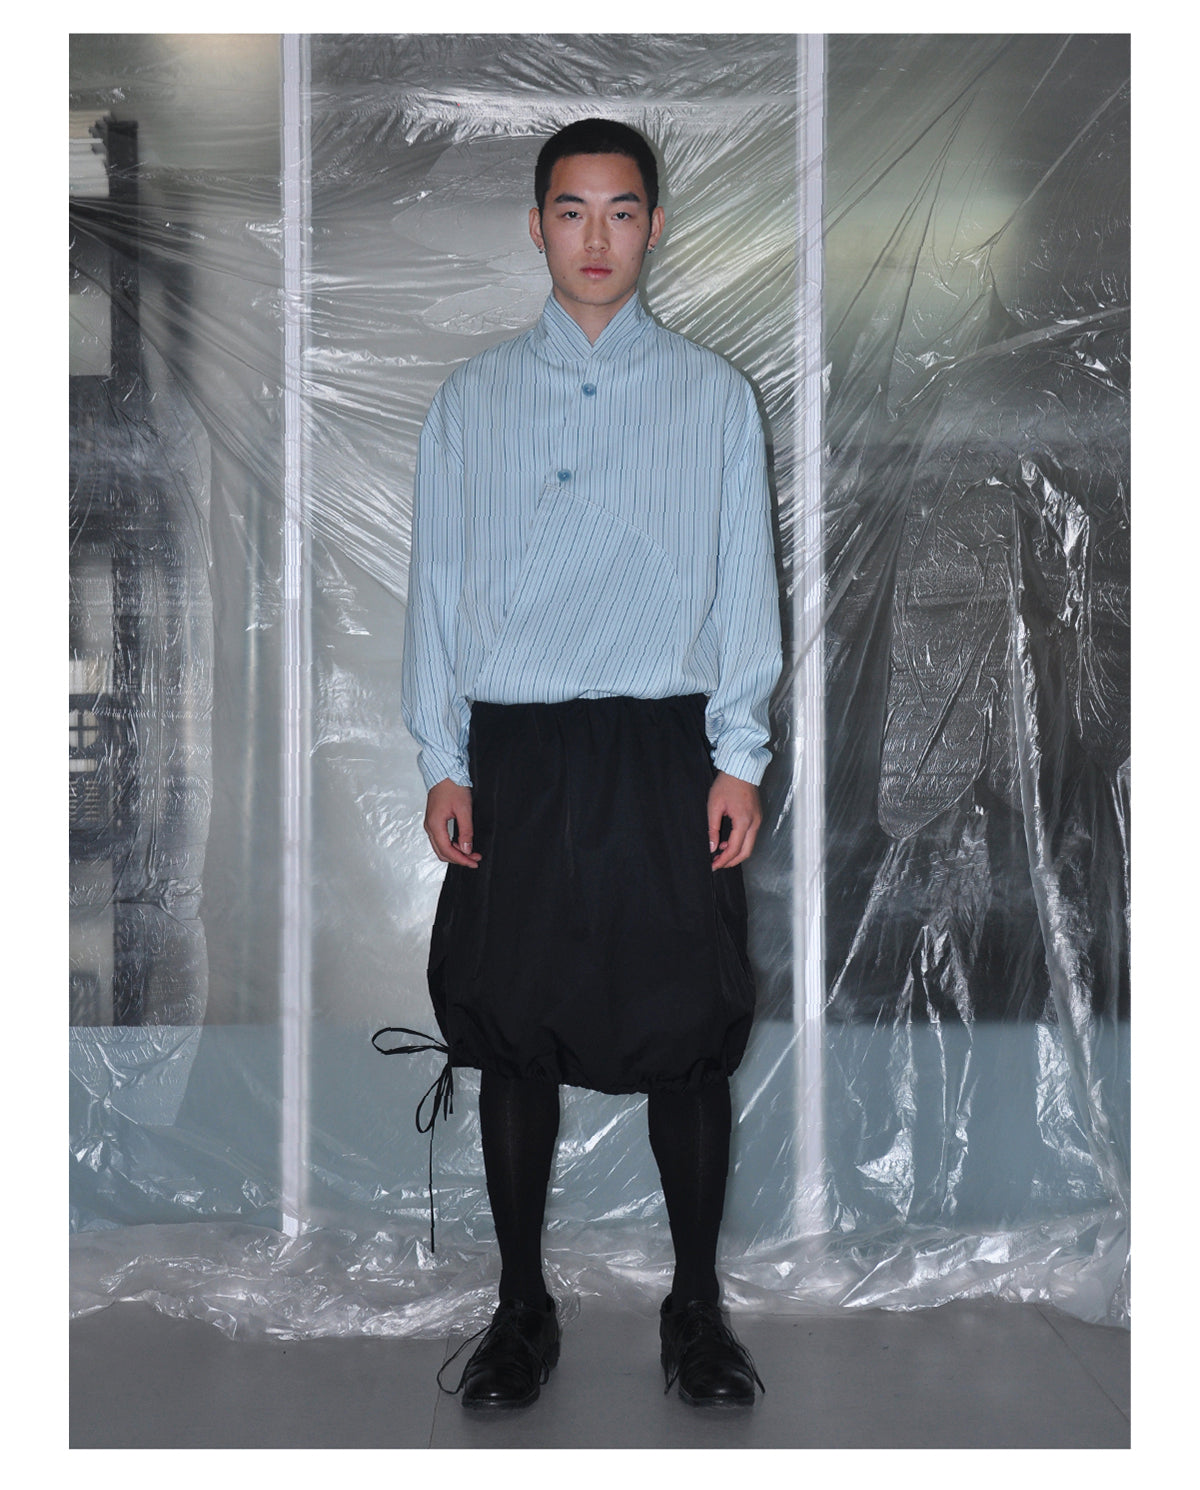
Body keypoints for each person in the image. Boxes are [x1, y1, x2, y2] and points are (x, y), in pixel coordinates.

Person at [400, 117, 781, 1410]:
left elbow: (747, 584)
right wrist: (444, 757)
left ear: (655, 226)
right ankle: (520, 1309)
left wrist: (738, 753)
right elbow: (436, 588)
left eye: (622, 211)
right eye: (572, 211)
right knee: (514, 1027)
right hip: (518, 750)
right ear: (536, 226)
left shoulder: (713, 396)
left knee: (687, 1028)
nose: (597, 237)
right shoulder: (472, 401)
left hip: (666, 746)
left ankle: (696, 1309)